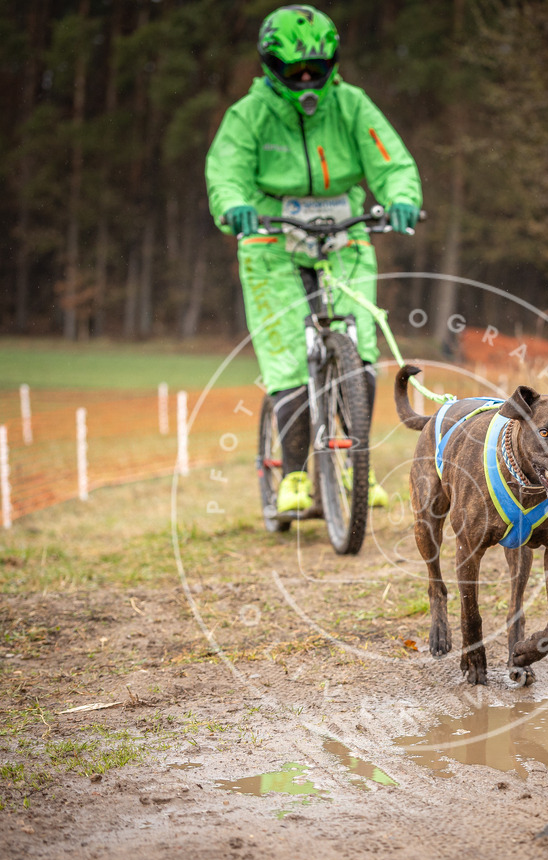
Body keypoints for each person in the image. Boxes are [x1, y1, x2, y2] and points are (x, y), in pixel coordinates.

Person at [205, 5, 422, 514]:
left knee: (359, 344)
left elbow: (391, 161)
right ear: (269, 67)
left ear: (333, 64)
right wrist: (234, 206)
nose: (305, 80)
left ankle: (357, 469)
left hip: (344, 238)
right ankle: (295, 476)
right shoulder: (249, 116)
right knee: (286, 354)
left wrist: (401, 196)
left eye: (315, 70)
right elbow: (226, 170)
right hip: (270, 243)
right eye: (292, 71)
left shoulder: (351, 105)